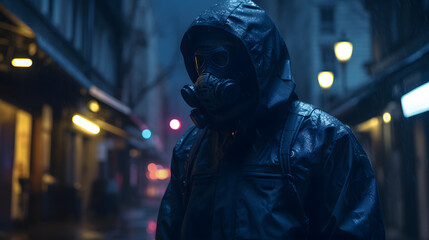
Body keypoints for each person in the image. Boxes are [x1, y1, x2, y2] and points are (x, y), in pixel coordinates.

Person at [156, 0, 385, 239]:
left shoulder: (324, 141)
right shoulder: (191, 149)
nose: (205, 76)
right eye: (199, 62)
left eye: (219, 59)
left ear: (254, 61)